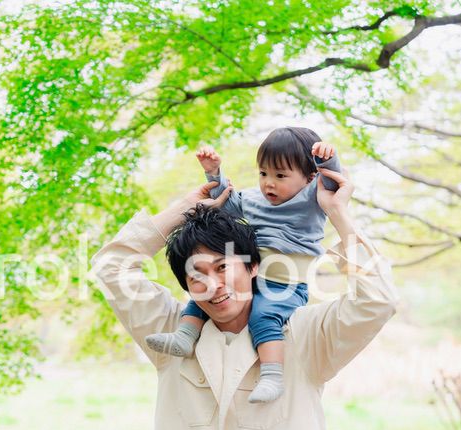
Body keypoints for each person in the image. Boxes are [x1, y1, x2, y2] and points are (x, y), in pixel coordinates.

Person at [90, 165, 399, 430]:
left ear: (253, 267)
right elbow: (111, 268)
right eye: (197, 275)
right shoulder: (170, 335)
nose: (214, 284)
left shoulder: (304, 336)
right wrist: (187, 208)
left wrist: (338, 213)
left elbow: (378, 301)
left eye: (224, 267)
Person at [145, 127, 341, 403]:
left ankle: (272, 375)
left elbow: (333, 183)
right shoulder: (253, 199)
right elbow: (227, 201)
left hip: (284, 284)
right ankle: (185, 336)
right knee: (204, 293)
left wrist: (327, 160)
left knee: (264, 317)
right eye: (263, 174)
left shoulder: (311, 200)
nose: (269, 184)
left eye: (280, 176)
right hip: (249, 276)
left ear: (309, 178)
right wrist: (214, 172)